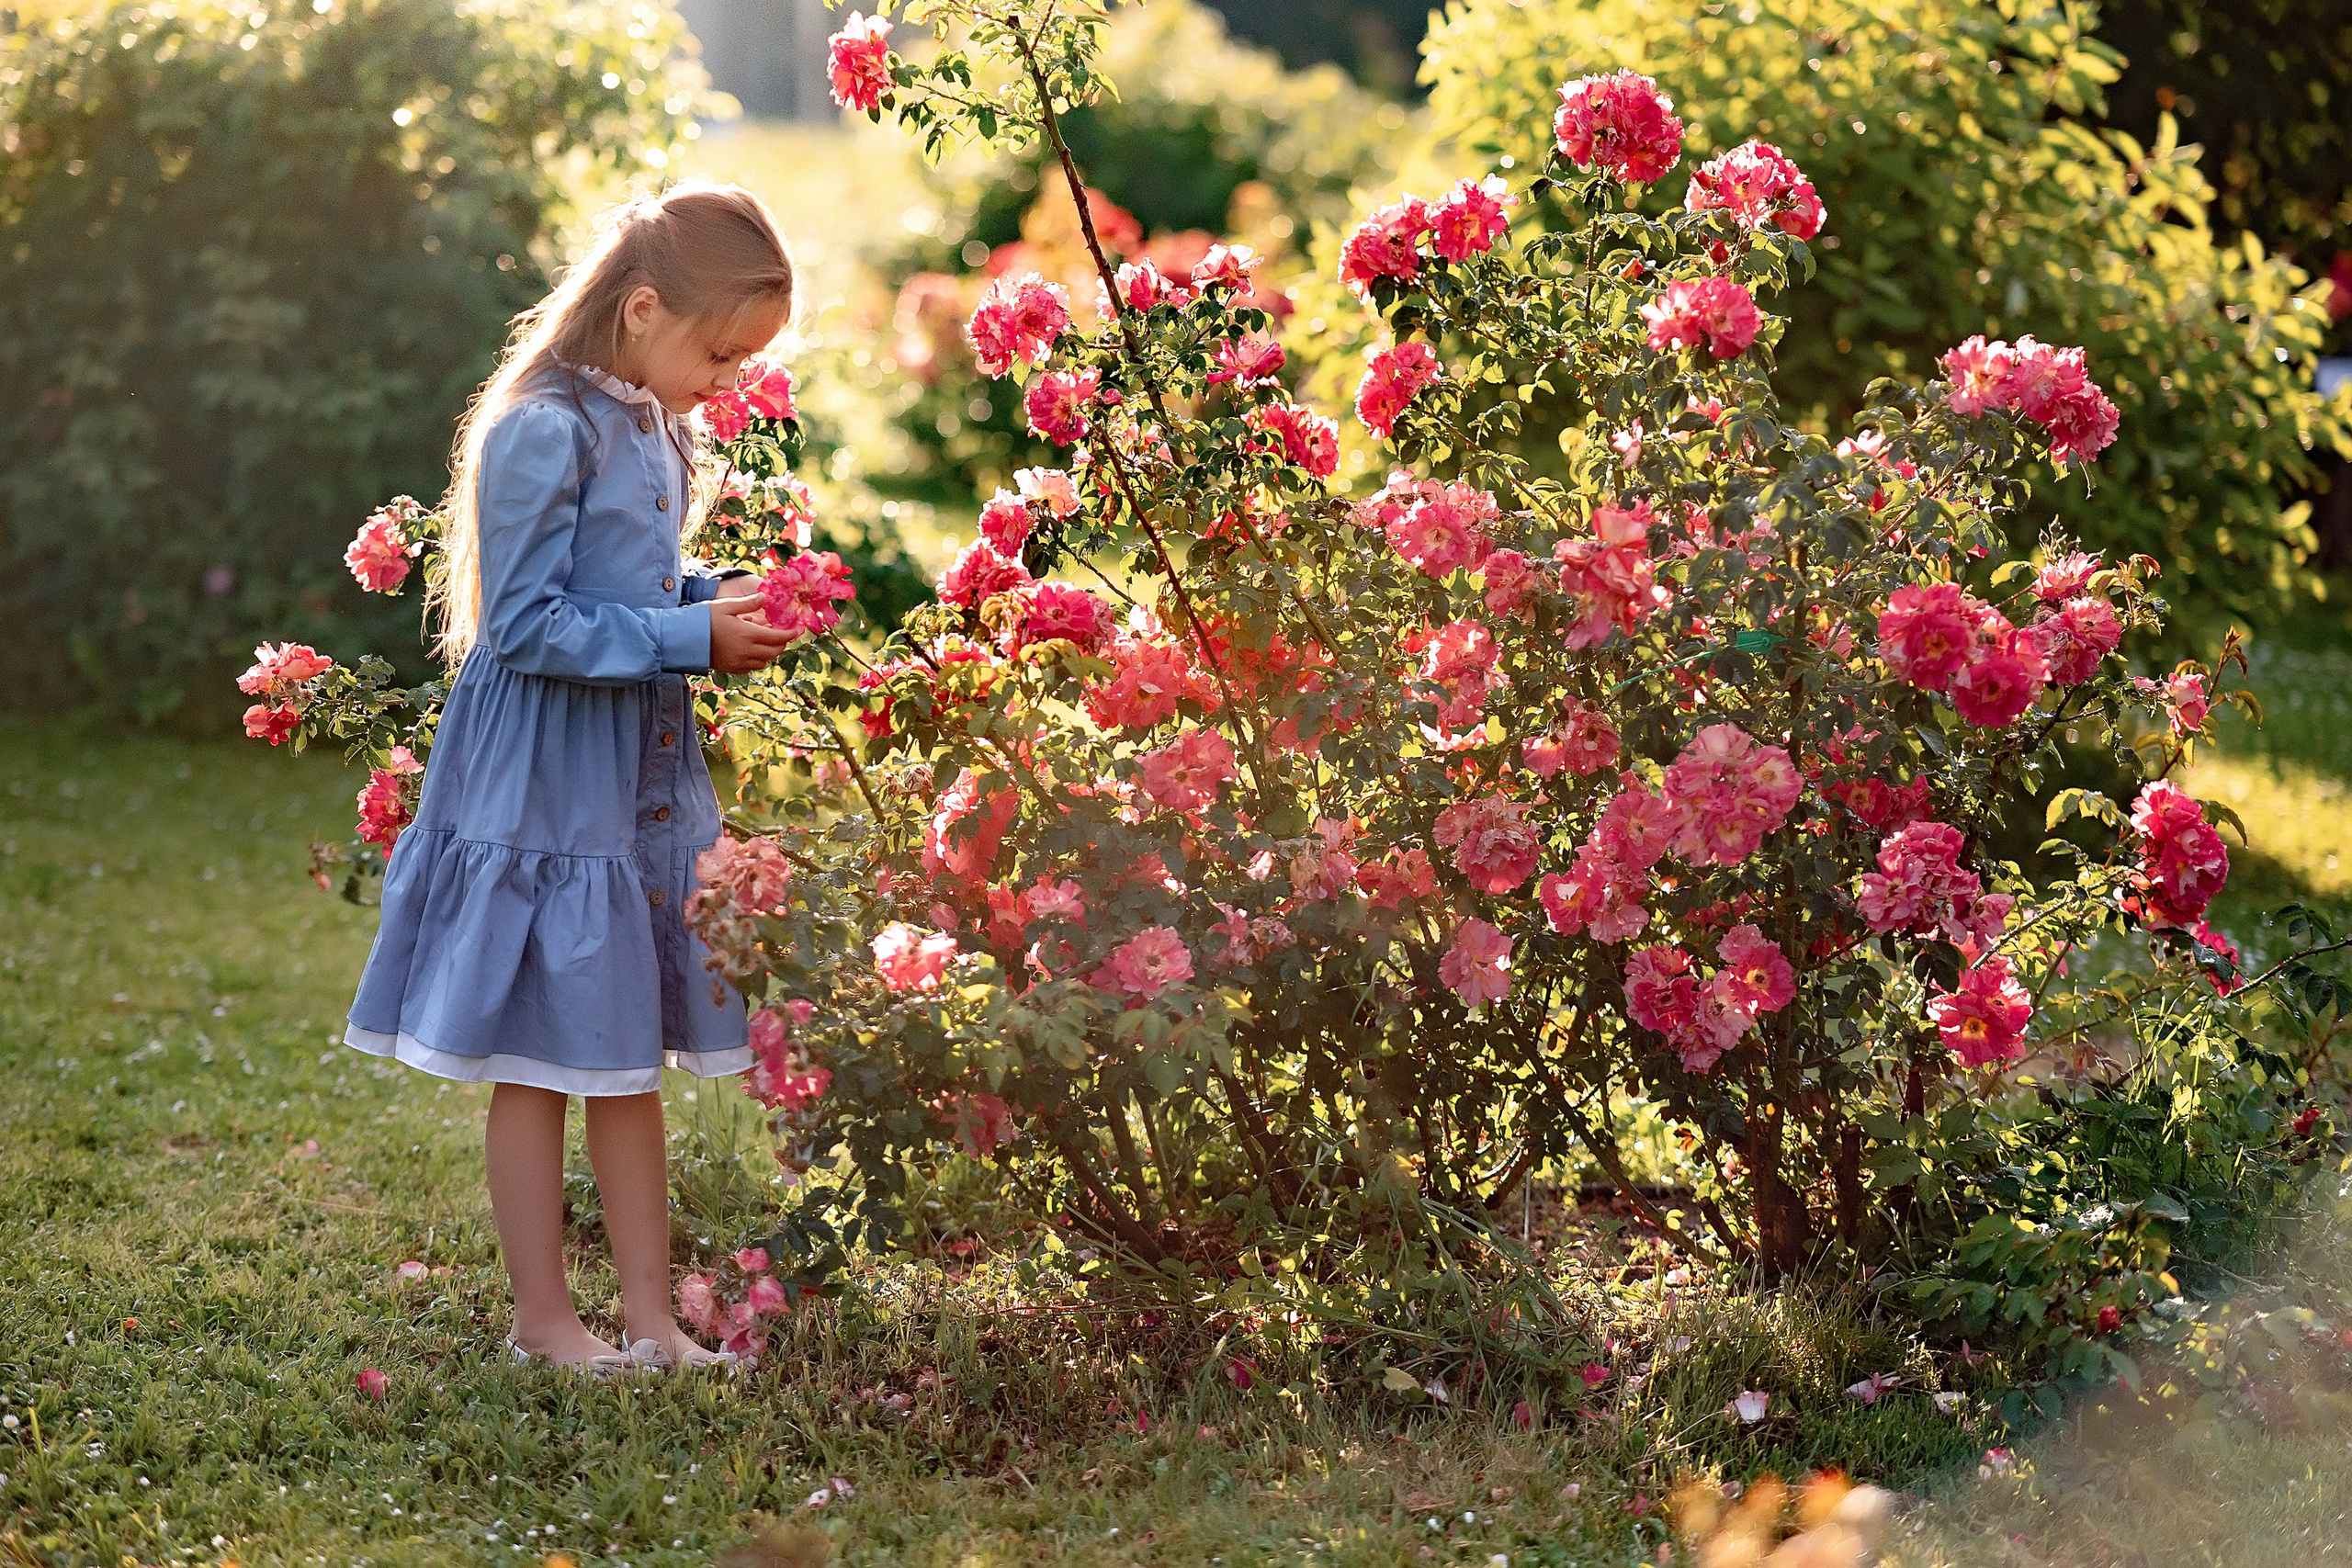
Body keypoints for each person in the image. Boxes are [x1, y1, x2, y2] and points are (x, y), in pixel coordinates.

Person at [343, 182, 798, 1371]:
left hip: (632, 768)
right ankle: (545, 1321)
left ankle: (651, 1323)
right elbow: (530, 625)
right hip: (545, 773)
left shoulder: (652, 414)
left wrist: (721, 602)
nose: (728, 380)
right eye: (719, 350)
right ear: (644, 308)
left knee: (621, 1051)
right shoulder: (544, 426)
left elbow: (630, 590)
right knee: (544, 1054)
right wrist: (688, 638)